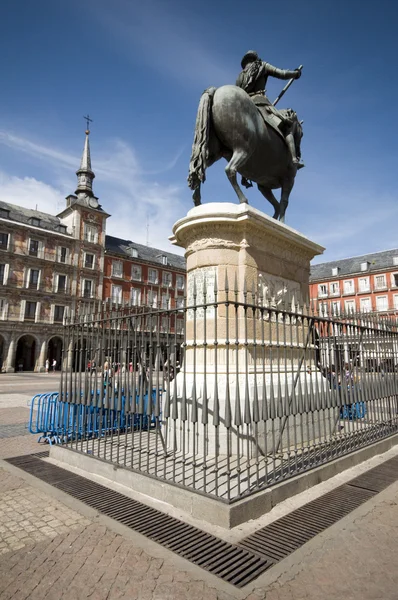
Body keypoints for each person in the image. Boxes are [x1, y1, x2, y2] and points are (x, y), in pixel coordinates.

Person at [236, 51, 304, 169]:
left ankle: (244, 173)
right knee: (287, 125)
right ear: (255, 59)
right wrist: (295, 74)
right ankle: (294, 158)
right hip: (261, 103)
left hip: (245, 106)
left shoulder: (240, 76)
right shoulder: (262, 65)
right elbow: (282, 73)